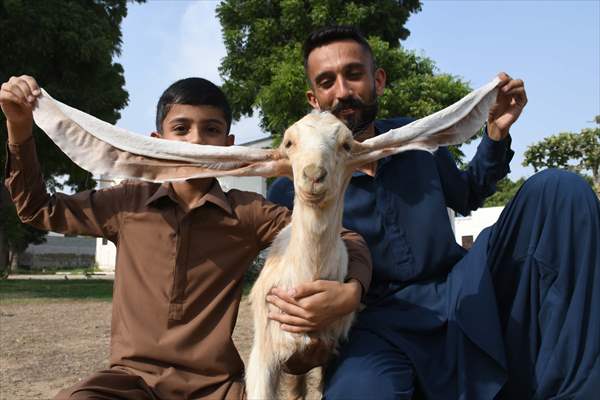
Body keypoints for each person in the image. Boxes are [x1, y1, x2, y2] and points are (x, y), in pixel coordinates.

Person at [267, 26, 600, 399]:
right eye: (327, 82)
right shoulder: (290, 189)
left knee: (559, 191)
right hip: (371, 324)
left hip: (461, 290)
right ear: (314, 99)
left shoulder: (414, 138)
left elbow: (467, 192)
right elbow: (292, 302)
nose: (342, 91)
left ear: (378, 79)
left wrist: (494, 135)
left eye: (354, 74)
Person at [0, 75, 372, 399]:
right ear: (157, 140)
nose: (196, 141)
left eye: (210, 130)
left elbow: (346, 238)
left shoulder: (248, 212)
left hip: (219, 387)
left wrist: (352, 289)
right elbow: (37, 208)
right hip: (132, 383)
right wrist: (19, 127)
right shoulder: (127, 203)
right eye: (181, 129)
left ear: (227, 144)